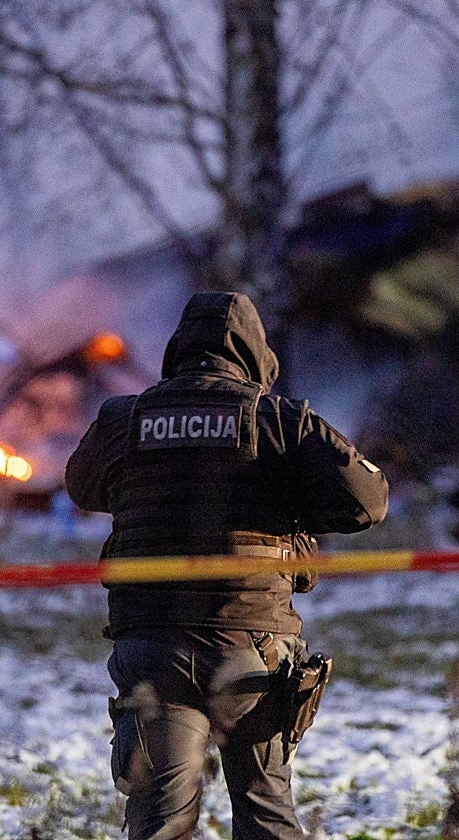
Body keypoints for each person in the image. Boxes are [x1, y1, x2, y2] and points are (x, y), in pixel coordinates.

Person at [65, 291, 388, 840]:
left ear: (178, 350)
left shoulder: (127, 419)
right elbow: (368, 501)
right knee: (266, 814)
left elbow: (82, 486)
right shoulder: (281, 421)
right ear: (256, 354)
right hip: (250, 648)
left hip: (153, 648)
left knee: (159, 824)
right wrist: (294, 503)